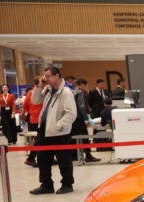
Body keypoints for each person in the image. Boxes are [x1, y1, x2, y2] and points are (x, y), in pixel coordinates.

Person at [29, 66, 76, 195]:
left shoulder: (66, 92)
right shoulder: (48, 89)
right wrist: (39, 87)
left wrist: (58, 126)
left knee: (63, 159)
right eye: (45, 76)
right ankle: (46, 185)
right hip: (44, 129)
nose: (46, 79)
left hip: (59, 132)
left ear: (57, 76)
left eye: (48, 76)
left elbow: (71, 113)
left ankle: (67, 184)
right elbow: (35, 101)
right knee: (42, 159)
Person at [71, 79, 99, 163]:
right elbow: (82, 107)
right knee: (84, 136)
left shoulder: (71, 92)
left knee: (74, 137)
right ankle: (88, 155)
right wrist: (86, 119)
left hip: (72, 118)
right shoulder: (79, 93)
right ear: (82, 85)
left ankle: (74, 155)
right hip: (79, 118)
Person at [21, 85, 44, 167]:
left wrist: (23, 115)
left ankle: (34, 158)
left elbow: (25, 107)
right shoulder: (43, 92)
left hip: (33, 119)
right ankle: (31, 158)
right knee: (40, 140)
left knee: (40, 140)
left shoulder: (30, 93)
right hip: (40, 120)